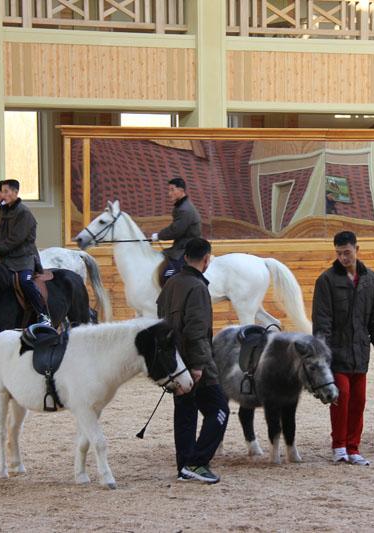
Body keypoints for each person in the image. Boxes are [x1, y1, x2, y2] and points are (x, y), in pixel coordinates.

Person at [312, 231, 374, 466]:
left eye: (347, 252)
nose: (343, 257)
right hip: (336, 353)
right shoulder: (326, 280)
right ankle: (339, 446)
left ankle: (354, 447)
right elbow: (321, 320)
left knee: (359, 400)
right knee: (341, 398)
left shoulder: (370, 279)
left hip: (360, 352)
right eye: (338, 253)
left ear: (357, 249)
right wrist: (322, 353)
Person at [156, 237, 228, 484]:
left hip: (175, 363)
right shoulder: (197, 288)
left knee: (185, 415)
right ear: (207, 259)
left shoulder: (169, 284)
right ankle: (197, 462)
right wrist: (198, 366)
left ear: (185, 257)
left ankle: (184, 465)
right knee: (219, 410)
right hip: (197, 365)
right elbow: (196, 331)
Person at [0, 179, 51, 327]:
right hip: (7, 259)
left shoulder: (24, 213)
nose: (3, 195)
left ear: (15, 192)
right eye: (3, 191)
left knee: (25, 282)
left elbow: (16, 239)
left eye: (6, 192)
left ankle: (43, 314)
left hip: (24, 259)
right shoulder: (3, 211)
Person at [151, 178, 202, 281]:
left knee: (167, 275)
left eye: (172, 190)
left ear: (181, 190)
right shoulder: (181, 206)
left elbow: (176, 230)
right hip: (181, 246)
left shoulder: (185, 209)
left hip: (188, 248)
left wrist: (159, 236)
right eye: (169, 190)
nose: (169, 193)